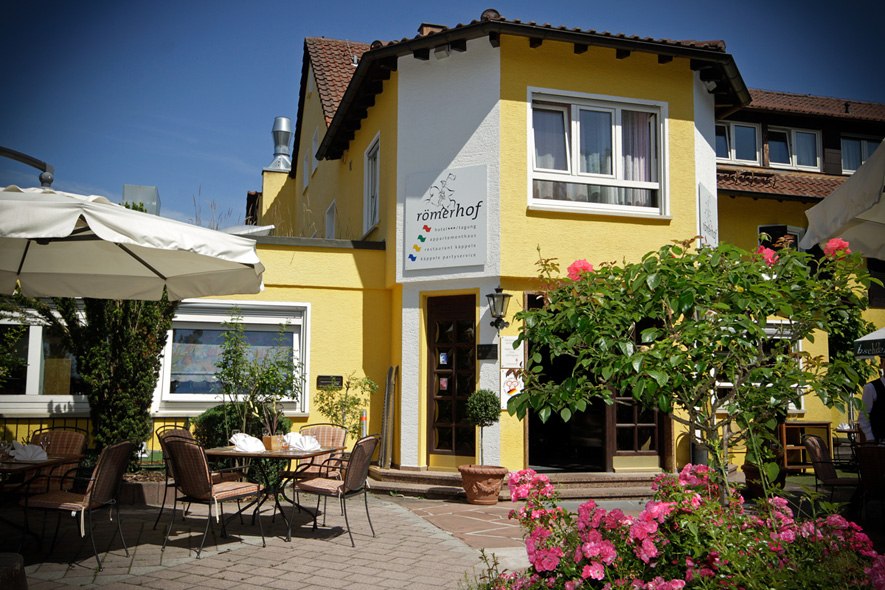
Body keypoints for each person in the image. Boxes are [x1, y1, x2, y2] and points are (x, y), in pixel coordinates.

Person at [858, 355, 885, 443]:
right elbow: (864, 415)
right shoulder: (871, 388)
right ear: (881, 365)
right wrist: (870, 437)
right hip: (880, 440)